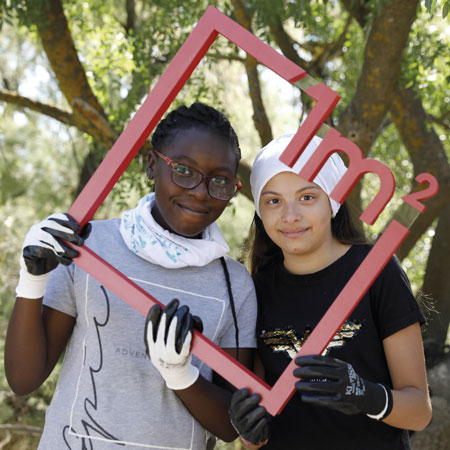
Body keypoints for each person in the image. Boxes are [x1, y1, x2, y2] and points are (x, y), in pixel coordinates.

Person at [5, 102, 258, 449]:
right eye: (184, 170)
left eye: (220, 181)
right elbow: (23, 378)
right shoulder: (87, 247)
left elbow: (232, 426)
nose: (200, 191)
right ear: (152, 164)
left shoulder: (234, 285)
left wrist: (180, 375)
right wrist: (32, 280)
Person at [228, 133, 432, 449]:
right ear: (259, 210)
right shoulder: (254, 290)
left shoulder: (377, 271)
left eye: (307, 197)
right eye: (273, 201)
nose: (290, 215)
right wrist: (248, 431)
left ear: (333, 202)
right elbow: (256, 435)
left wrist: (366, 395)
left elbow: (419, 412)